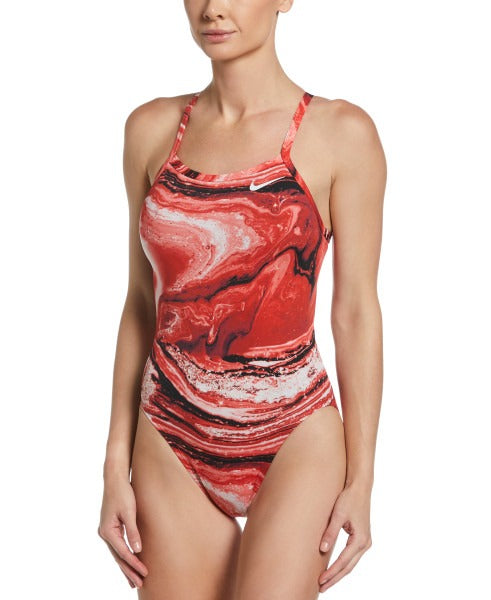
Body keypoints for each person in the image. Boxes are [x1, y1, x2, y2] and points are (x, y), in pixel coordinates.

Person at [98, 1, 386, 598]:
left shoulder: (341, 134)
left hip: (294, 432)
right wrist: (113, 466)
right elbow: (140, 303)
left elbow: (356, 313)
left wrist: (362, 480)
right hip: (171, 430)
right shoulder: (149, 131)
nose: (212, 8)